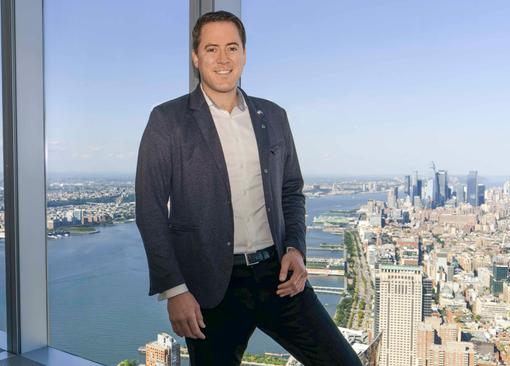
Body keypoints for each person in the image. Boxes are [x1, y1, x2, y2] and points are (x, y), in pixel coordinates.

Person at [136, 10, 362, 366]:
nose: (223, 59)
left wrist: (295, 248)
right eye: (212, 49)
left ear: (244, 54)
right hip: (210, 289)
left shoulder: (273, 116)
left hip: (278, 277)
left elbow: (291, 190)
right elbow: (149, 210)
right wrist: (175, 289)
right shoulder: (168, 121)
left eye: (232, 47)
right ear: (196, 57)